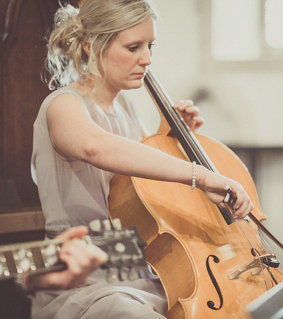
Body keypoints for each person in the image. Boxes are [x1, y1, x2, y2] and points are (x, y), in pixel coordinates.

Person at [30, 0, 255, 318]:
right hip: (82, 281)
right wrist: (201, 175)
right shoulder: (63, 106)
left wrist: (169, 135)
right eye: (133, 47)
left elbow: (141, 186)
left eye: (150, 46)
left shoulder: (127, 109)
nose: (147, 59)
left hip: (138, 272)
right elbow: (96, 146)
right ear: (90, 46)